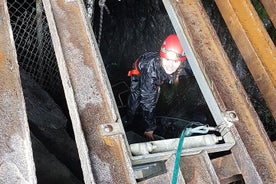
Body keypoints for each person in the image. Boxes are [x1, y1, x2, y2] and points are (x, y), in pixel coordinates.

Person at [126, 34, 193, 141]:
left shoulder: (181, 65)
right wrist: (150, 128)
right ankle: (128, 120)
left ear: (181, 61)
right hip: (139, 74)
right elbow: (147, 102)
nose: (170, 65)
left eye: (175, 61)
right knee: (135, 99)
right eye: (167, 60)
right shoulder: (150, 71)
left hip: (158, 76)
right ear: (161, 57)